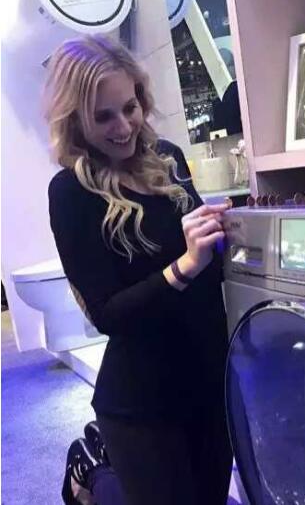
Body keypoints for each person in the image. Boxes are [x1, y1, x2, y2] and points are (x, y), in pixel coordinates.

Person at [45, 35, 233, 505]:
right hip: (142, 402)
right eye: (103, 116)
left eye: (129, 107)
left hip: (210, 381)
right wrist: (184, 266)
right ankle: (90, 472)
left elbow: (208, 268)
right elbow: (107, 314)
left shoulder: (167, 157)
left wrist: (227, 234)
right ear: (75, 119)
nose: (124, 126)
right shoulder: (70, 192)